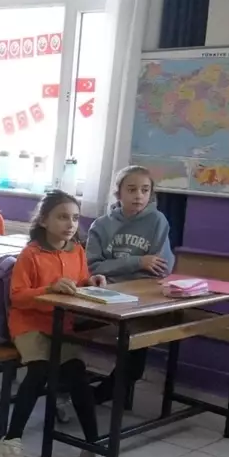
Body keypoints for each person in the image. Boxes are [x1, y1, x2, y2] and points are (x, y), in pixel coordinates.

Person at [0, 191, 106, 457]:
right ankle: (10, 440)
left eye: (75, 218)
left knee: (78, 373)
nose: (70, 224)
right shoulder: (31, 253)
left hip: (61, 327)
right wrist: (48, 289)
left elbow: (79, 282)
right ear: (44, 220)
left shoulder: (76, 250)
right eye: (62, 217)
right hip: (29, 325)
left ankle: (91, 446)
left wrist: (91, 282)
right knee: (39, 369)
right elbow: (18, 296)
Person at [86, 164, 174, 402]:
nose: (138, 196)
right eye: (132, 189)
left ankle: (99, 395)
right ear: (118, 193)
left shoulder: (157, 220)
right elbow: (93, 267)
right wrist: (138, 262)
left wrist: (124, 266)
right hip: (108, 295)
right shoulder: (101, 226)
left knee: (136, 346)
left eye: (145, 190)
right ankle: (83, 391)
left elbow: (161, 267)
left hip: (142, 297)